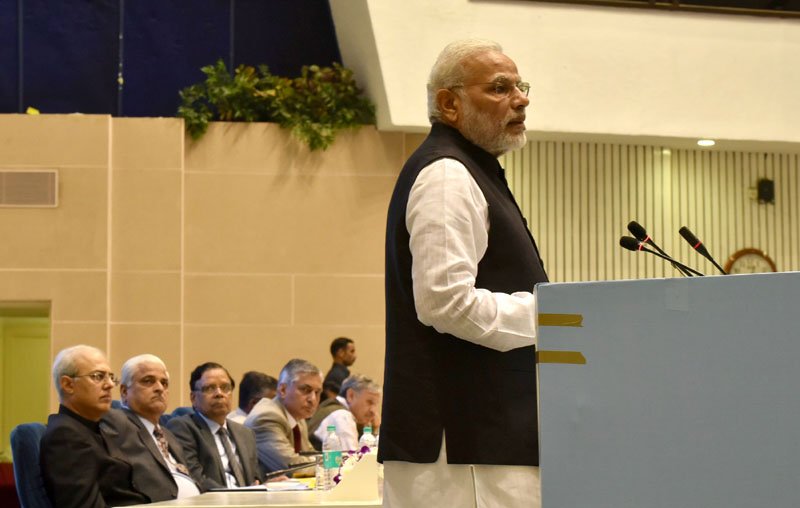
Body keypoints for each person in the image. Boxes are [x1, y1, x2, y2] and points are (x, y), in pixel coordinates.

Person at [381, 39, 547, 508]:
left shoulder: (472, 170)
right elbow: (445, 303)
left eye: (521, 86)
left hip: (482, 443)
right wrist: (551, 315)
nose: (521, 99)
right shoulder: (447, 175)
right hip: (463, 449)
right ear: (449, 104)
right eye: (500, 88)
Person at [39, 345, 149, 508]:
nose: (110, 384)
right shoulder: (65, 435)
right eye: (98, 376)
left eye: (111, 377)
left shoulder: (91, 427)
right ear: (68, 385)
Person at [102, 354, 201, 501]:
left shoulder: (169, 435)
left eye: (164, 383)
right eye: (148, 381)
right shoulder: (116, 422)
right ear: (124, 391)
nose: (159, 388)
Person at [166, 362, 263, 490]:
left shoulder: (245, 433)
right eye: (210, 388)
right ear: (193, 398)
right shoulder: (183, 428)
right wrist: (235, 495)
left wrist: (267, 484)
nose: (219, 394)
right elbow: (195, 478)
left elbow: (255, 478)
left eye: (225, 387)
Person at [244, 358, 321, 473]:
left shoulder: (298, 417)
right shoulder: (266, 417)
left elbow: (310, 455)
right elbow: (294, 468)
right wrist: (333, 466)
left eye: (317, 392)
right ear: (283, 390)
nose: (313, 399)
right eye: (305, 390)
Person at [308, 374, 381, 451]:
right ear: (351, 395)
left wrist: (372, 429)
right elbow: (352, 456)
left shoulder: (334, 409)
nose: (373, 411)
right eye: (370, 402)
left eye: (375, 404)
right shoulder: (342, 416)